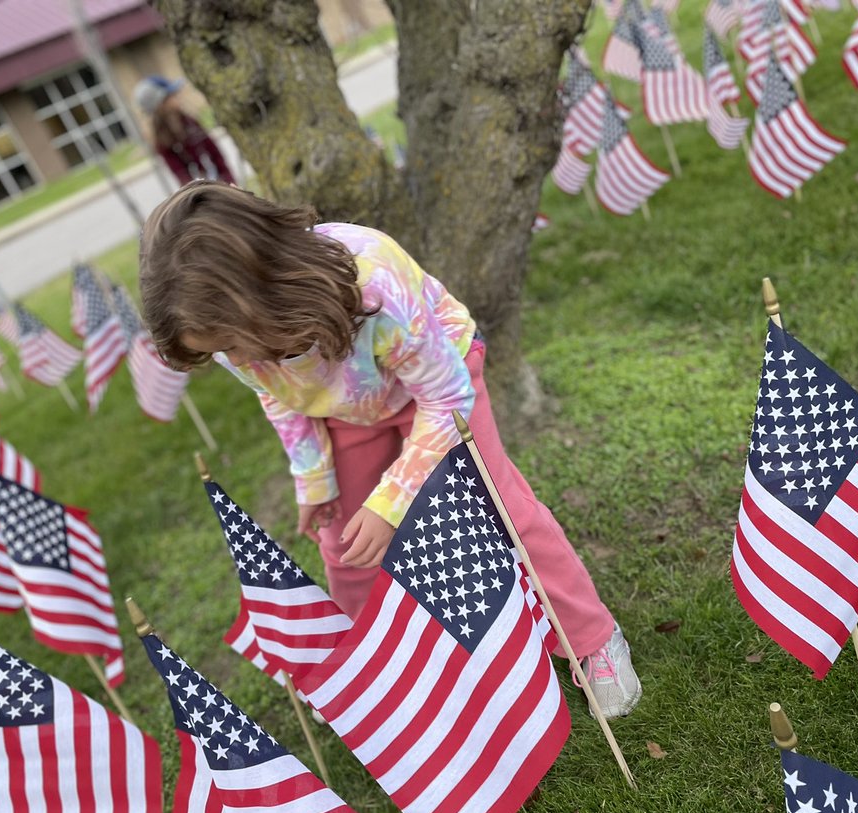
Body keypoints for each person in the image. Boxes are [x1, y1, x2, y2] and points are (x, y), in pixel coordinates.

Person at [137, 181, 642, 719]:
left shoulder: (372, 280)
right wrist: (315, 481)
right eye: (218, 352)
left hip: (439, 381)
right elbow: (282, 397)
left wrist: (391, 501)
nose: (233, 358)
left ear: (260, 288)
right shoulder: (228, 335)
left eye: (231, 344)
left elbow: (445, 397)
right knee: (345, 545)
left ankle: (591, 640)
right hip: (349, 407)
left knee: (501, 511)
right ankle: (382, 665)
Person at [133, 75, 235, 186]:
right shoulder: (162, 141)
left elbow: (215, 153)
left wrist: (229, 181)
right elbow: (182, 175)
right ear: (160, 104)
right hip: (200, 191)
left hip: (221, 180)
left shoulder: (190, 121)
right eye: (170, 96)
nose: (177, 97)